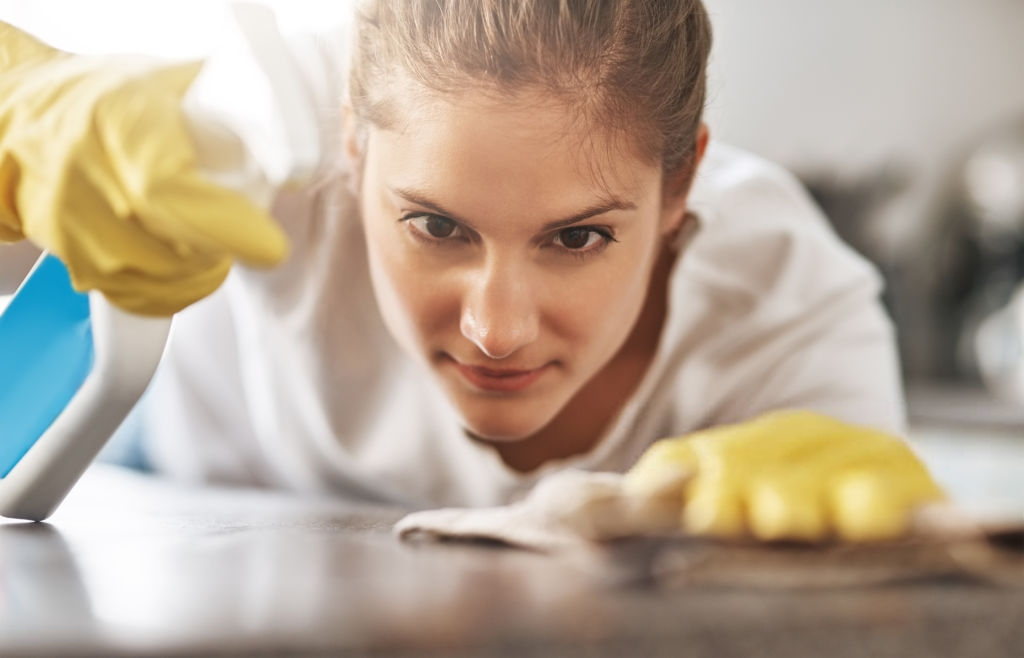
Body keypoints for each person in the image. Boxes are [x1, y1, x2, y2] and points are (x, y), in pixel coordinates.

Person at [0, 0, 943, 541]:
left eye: (576, 239)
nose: (497, 330)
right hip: (169, 461)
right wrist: (23, 109)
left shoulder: (791, 312)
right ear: (352, 149)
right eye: (438, 226)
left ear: (680, 181)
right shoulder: (264, 133)